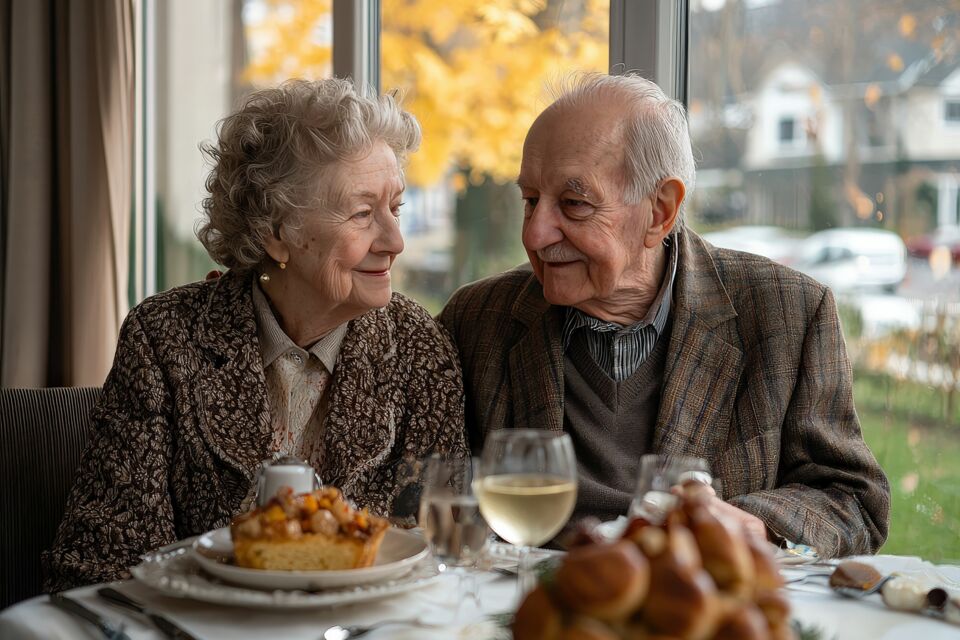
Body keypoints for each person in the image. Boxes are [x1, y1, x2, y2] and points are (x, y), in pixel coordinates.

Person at [439, 72, 889, 557]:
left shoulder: (787, 312)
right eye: (530, 201)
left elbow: (853, 502)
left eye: (573, 204)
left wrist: (751, 526)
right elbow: (428, 497)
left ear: (659, 211)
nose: (535, 234)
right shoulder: (476, 319)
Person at [44, 78, 466, 591]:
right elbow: (97, 563)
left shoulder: (417, 347)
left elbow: (443, 555)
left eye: (395, 208)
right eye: (362, 214)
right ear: (275, 232)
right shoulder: (165, 339)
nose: (395, 241)